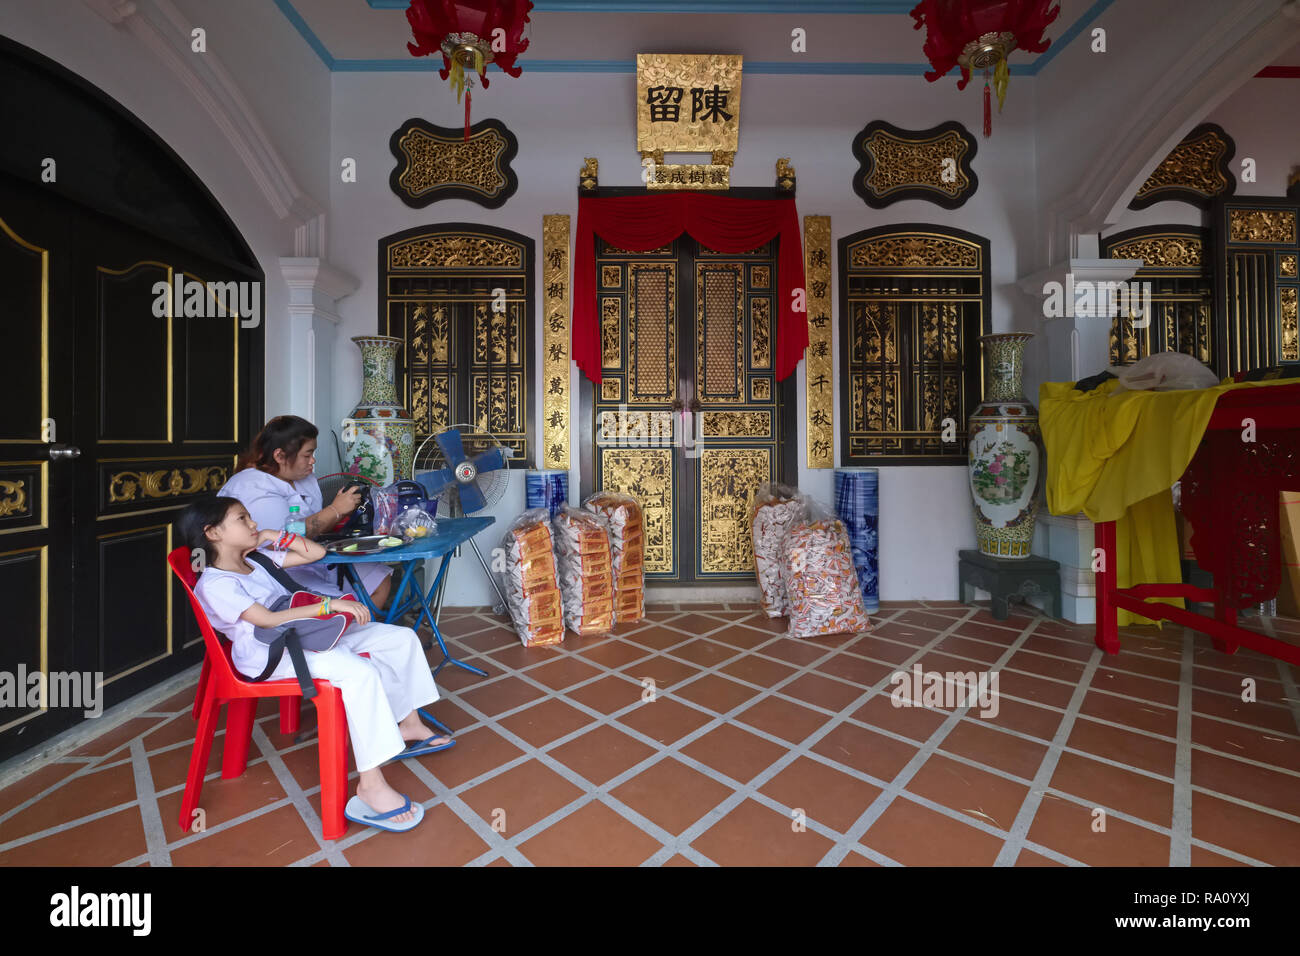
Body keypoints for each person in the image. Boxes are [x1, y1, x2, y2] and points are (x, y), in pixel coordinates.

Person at [178, 496, 452, 832]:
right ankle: (370, 786)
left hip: (304, 634)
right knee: (359, 673)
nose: (251, 523)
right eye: (242, 518)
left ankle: (407, 722)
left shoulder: (257, 559)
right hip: (271, 654)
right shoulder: (216, 582)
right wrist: (327, 606)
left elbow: (317, 553)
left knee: (399, 639)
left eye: (249, 517)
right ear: (213, 533)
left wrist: (273, 536)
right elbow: (266, 619)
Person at [220, 415, 393, 607]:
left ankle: (363, 632)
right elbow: (282, 541)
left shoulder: (304, 478)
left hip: (315, 557)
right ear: (279, 456)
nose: (313, 461)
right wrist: (335, 509)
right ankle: (354, 633)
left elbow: (317, 524)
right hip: (278, 570)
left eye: (313, 453)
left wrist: (344, 511)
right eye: (307, 455)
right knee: (336, 604)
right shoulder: (251, 487)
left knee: (379, 580)